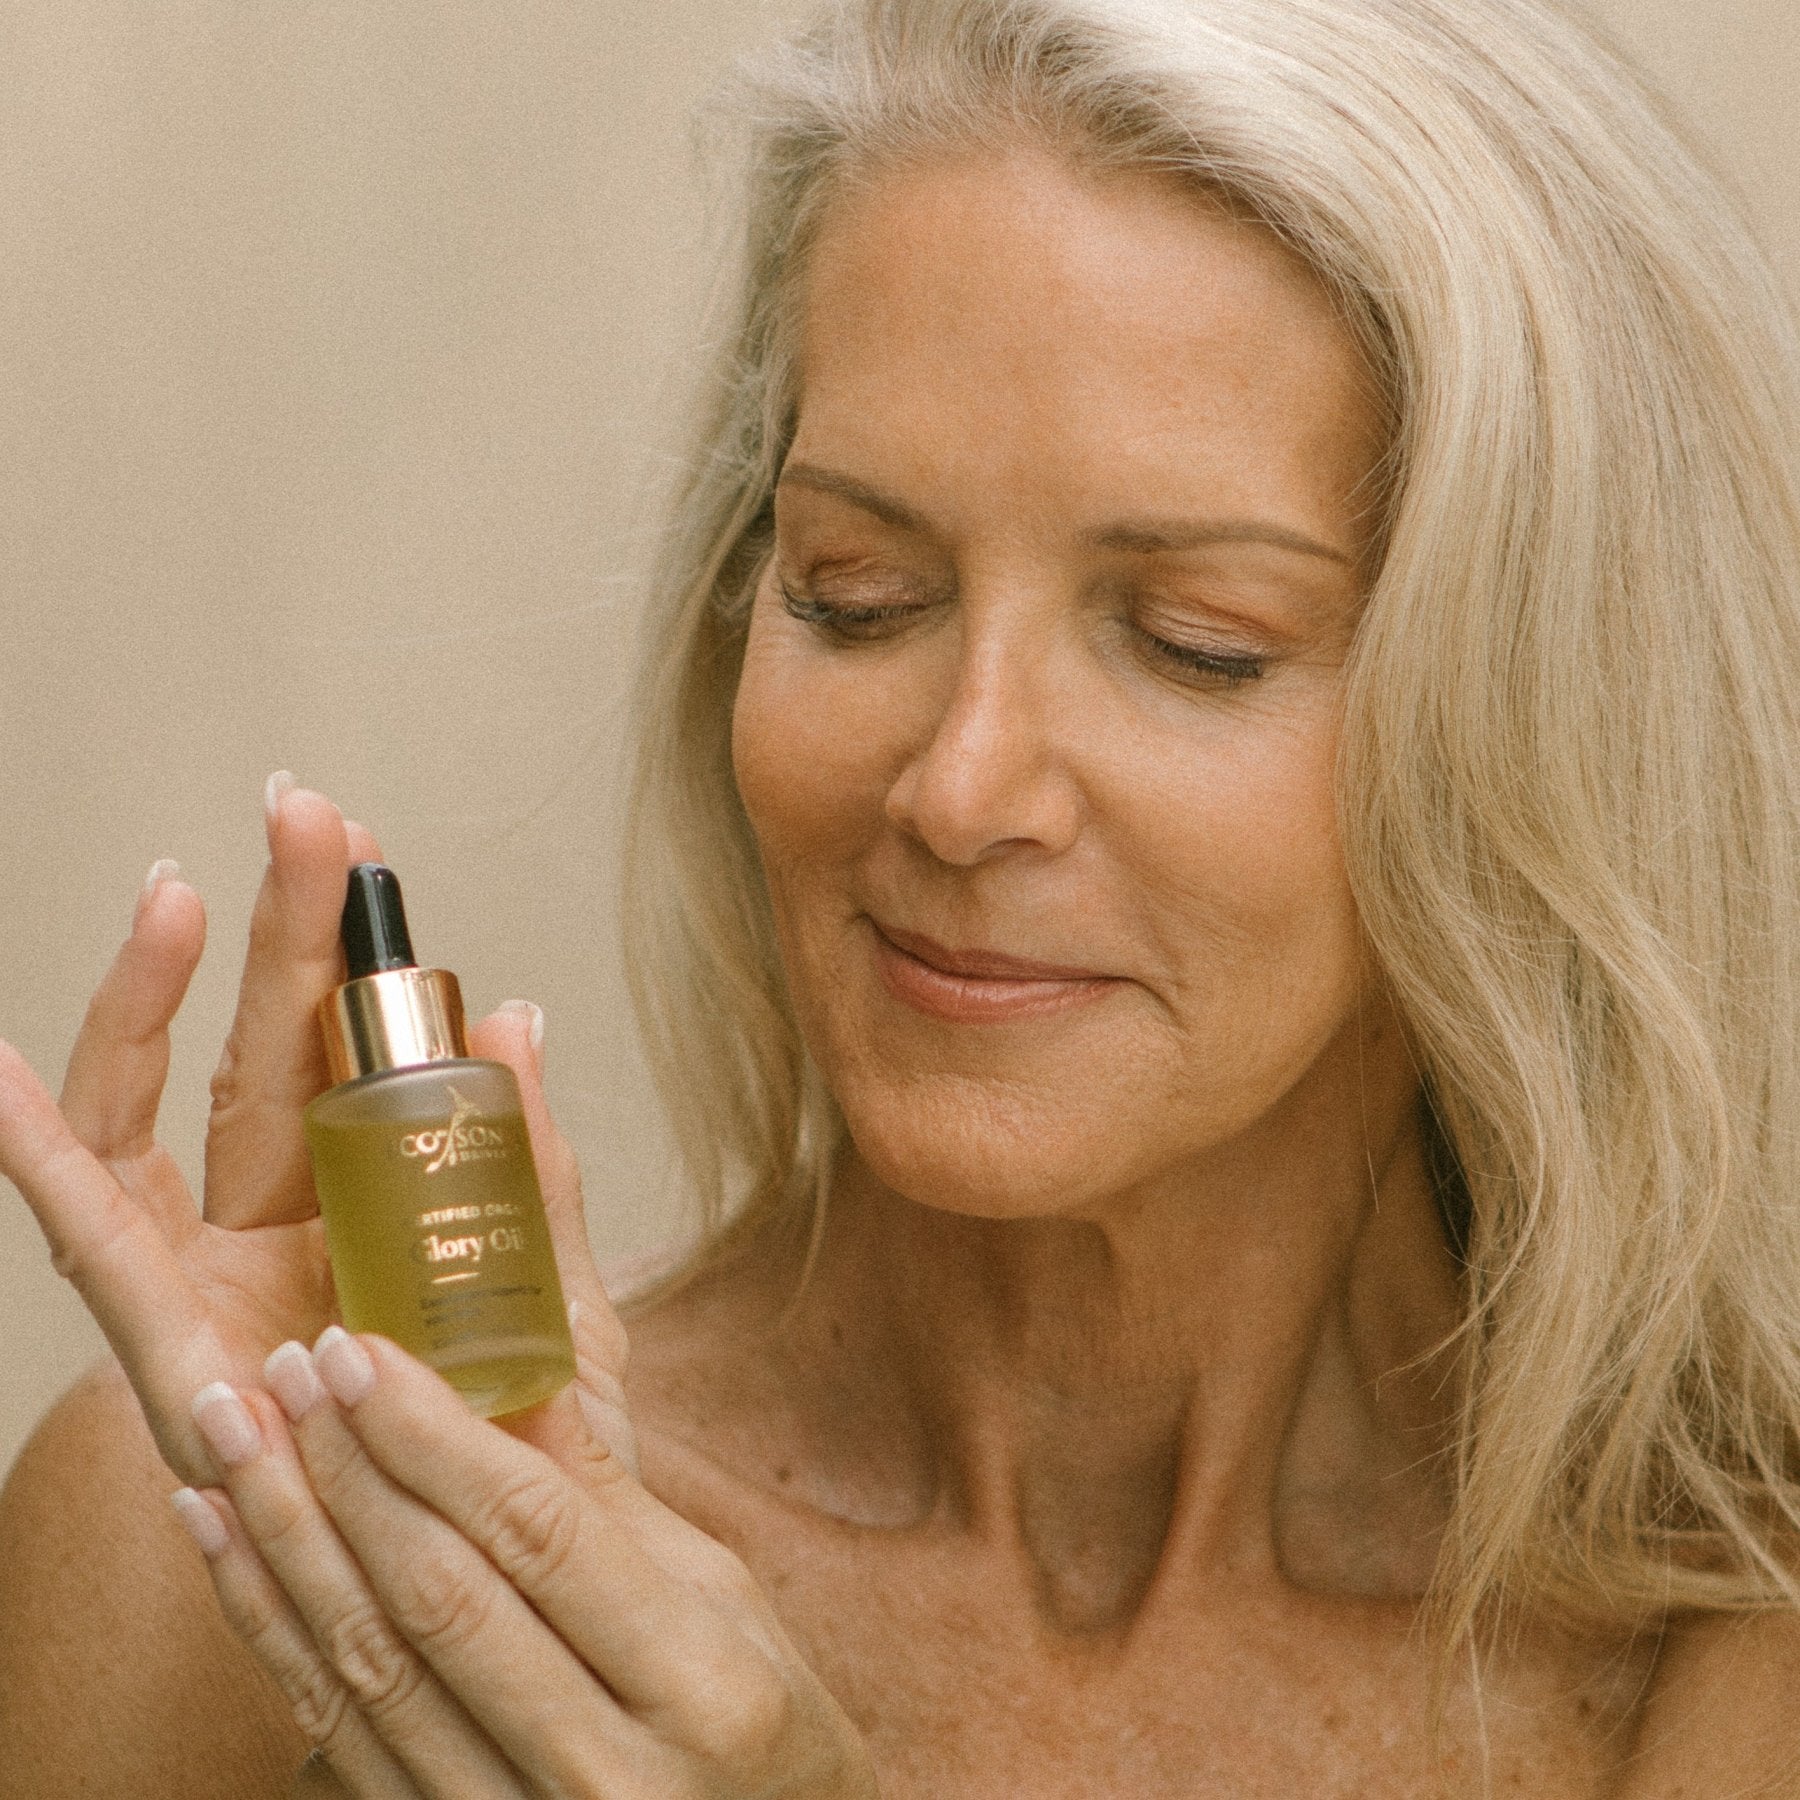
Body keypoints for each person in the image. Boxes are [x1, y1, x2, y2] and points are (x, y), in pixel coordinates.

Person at [3, 0, 1800, 1791]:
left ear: (1542, 719)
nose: (957, 785)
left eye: (1197, 644)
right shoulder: (253, 1541)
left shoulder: (1724, 1659)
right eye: (857, 593)